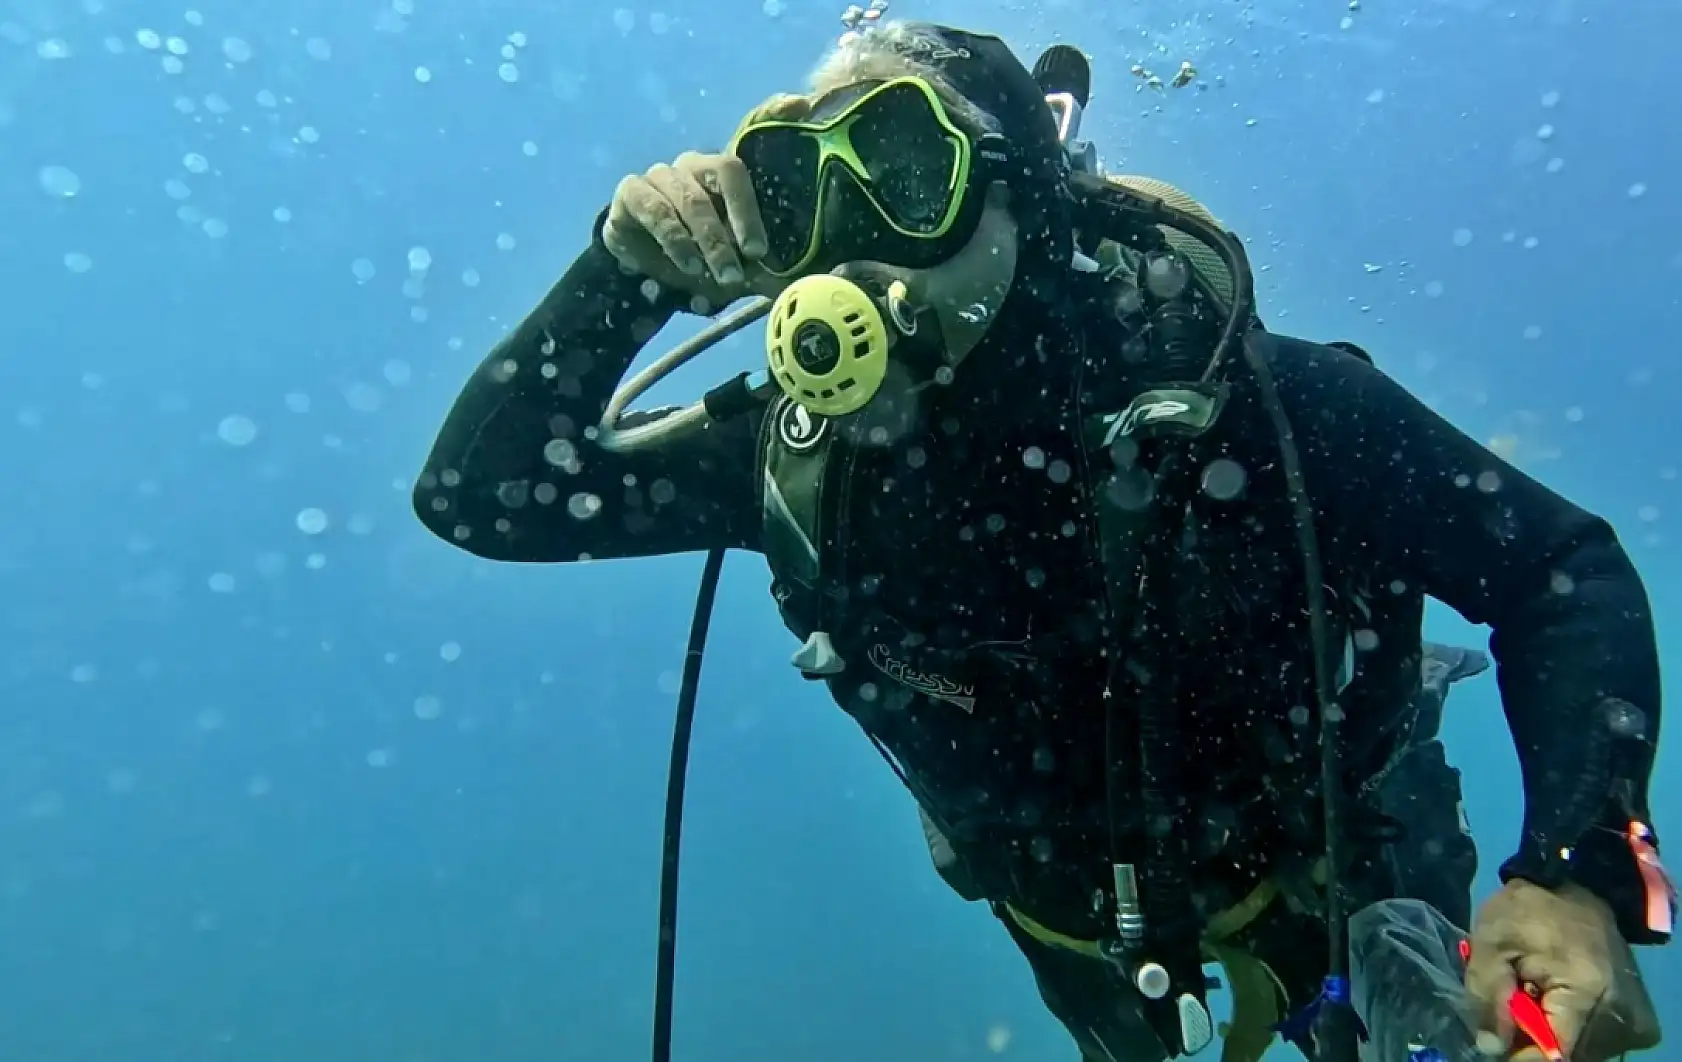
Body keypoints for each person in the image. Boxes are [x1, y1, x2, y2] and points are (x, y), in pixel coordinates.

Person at [412, 19, 1669, 1062]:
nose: (856, 238)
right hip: (1075, 934)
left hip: (1343, 852)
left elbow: (1557, 571)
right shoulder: (798, 466)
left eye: (906, 173)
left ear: (1026, 201)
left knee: (1431, 1030)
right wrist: (624, 273)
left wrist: (1574, 874)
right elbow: (485, 494)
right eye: (802, 189)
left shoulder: (1257, 407)